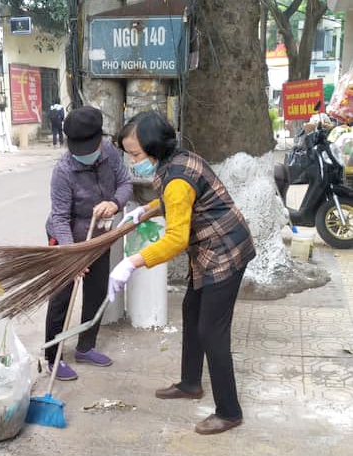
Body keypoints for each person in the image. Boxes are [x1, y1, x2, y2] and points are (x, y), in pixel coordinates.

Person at [109, 111, 255, 435]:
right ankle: (190, 383)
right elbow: (171, 201)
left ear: (155, 147)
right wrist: (143, 212)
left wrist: (131, 262)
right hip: (209, 248)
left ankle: (229, 411)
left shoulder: (176, 177)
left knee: (212, 331)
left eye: (135, 154)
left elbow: (176, 238)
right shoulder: (176, 159)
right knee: (191, 312)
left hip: (225, 251)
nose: (132, 161)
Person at [45, 106, 132, 380]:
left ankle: (85, 346)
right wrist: (73, 255)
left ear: (99, 140)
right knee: (62, 297)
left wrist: (114, 203)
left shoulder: (110, 154)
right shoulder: (63, 170)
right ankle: (52, 356)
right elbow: (59, 217)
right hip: (67, 239)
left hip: (99, 235)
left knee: (95, 292)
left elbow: (125, 183)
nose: (83, 155)